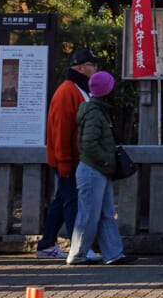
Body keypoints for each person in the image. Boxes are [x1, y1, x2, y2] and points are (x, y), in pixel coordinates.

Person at [37, 49, 101, 260]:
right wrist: (64, 161)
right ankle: (79, 248)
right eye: (93, 65)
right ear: (80, 68)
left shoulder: (78, 89)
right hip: (67, 159)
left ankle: (46, 244)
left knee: (63, 199)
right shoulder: (67, 91)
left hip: (74, 158)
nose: (96, 68)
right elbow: (62, 130)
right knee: (73, 202)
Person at [67, 70, 126, 266]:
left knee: (106, 213)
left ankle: (113, 254)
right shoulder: (94, 112)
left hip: (99, 169)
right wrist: (107, 161)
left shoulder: (96, 110)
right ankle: (77, 254)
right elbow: (88, 144)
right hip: (93, 169)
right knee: (89, 214)